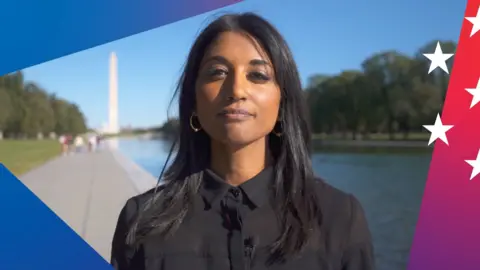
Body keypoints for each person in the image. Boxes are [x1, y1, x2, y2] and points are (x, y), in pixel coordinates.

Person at [110, 13, 374, 270]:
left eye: (258, 75)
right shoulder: (142, 220)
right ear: (193, 101)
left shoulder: (338, 217)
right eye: (217, 72)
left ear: (283, 102)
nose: (236, 90)